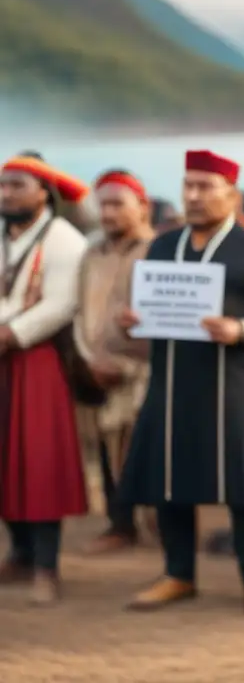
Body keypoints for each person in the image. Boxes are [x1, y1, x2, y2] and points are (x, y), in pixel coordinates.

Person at [117, 150, 244, 619]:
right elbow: (148, 309)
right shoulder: (162, 246)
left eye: (204, 187)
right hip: (171, 384)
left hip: (234, 386)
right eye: (188, 186)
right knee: (169, 483)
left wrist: (242, 330)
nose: (193, 196)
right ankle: (178, 574)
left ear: (231, 194)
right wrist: (134, 320)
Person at [0, 154, 90, 605]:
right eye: (3, 185)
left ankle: (45, 567)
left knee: (37, 463)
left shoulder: (64, 239)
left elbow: (60, 305)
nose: (7, 194)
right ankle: (18, 554)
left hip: (36, 359)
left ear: (43, 192)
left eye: (18, 185)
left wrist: (11, 333)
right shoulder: (4, 235)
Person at [73, 170, 154, 554]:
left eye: (116, 204)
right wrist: (88, 358)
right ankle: (120, 525)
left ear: (143, 207)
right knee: (106, 448)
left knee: (145, 448)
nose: (107, 213)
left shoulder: (160, 250)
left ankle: (160, 526)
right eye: (102, 205)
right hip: (97, 368)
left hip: (144, 371)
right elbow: (78, 310)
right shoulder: (90, 253)